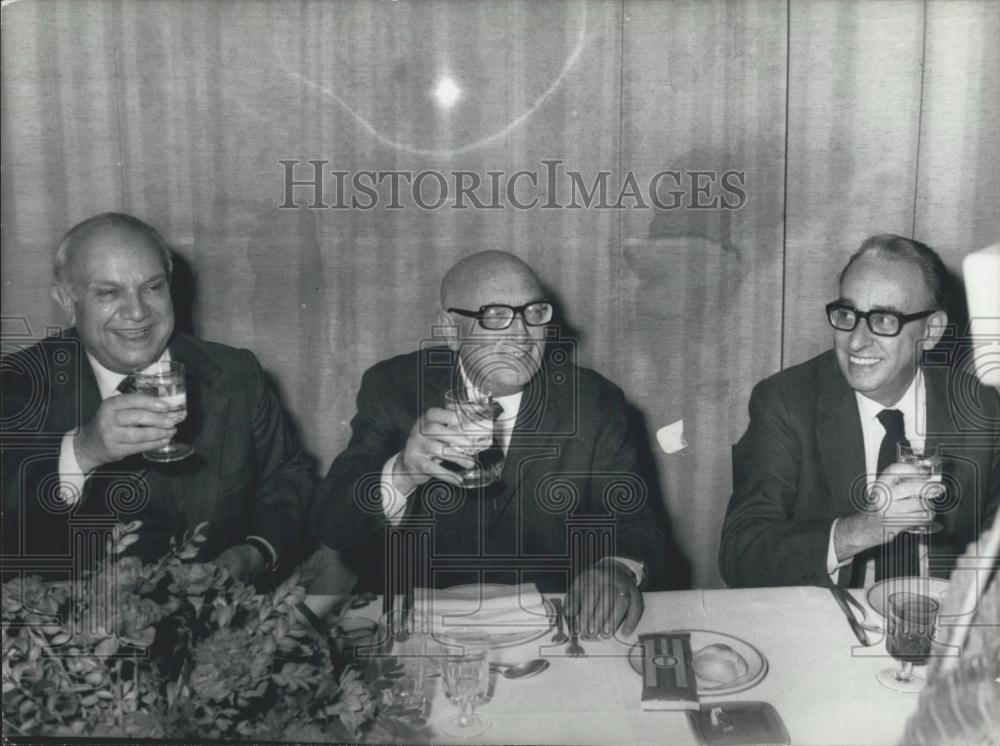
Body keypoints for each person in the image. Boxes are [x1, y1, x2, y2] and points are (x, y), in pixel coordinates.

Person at [311, 251, 683, 637]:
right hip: (415, 621)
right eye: (495, 316)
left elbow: (637, 526)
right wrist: (402, 472)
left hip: (551, 620)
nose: (521, 335)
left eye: (534, 312)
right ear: (452, 331)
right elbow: (331, 525)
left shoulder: (593, 401)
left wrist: (616, 567)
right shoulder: (393, 387)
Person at [1, 213, 314, 585]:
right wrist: (83, 451)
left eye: (152, 288)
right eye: (108, 293)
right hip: (81, 632)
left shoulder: (235, 373)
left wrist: (257, 551)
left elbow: (288, 476)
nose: (137, 312)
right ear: (67, 301)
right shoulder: (18, 383)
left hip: (220, 626)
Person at [720, 234, 1000, 588]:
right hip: (828, 623)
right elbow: (739, 556)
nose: (855, 341)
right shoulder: (786, 402)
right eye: (847, 314)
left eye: (883, 320)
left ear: (931, 332)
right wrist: (862, 530)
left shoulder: (982, 408)